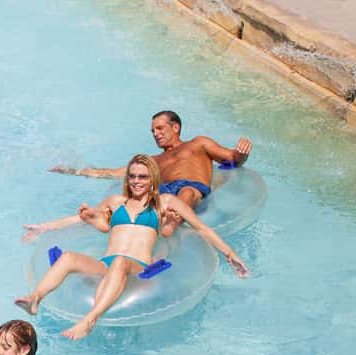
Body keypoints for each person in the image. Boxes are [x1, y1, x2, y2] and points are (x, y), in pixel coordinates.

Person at [15, 154, 249, 340]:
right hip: (106, 263)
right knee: (67, 258)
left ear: (153, 179)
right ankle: (35, 299)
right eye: (133, 176)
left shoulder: (165, 203)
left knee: (120, 262)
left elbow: (201, 228)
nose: (136, 181)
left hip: (137, 267)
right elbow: (76, 220)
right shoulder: (116, 202)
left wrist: (230, 254)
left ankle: (90, 319)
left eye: (143, 177)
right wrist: (43, 227)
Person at [43, 110, 252, 237]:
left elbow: (232, 158)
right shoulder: (153, 161)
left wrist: (241, 152)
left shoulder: (198, 144)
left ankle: (170, 226)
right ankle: (52, 227)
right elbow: (115, 173)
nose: (156, 134)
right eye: (153, 131)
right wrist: (75, 171)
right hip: (164, 193)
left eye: (160, 129)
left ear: (176, 127)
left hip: (190, 187)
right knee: (121, 205)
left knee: (187, 192)